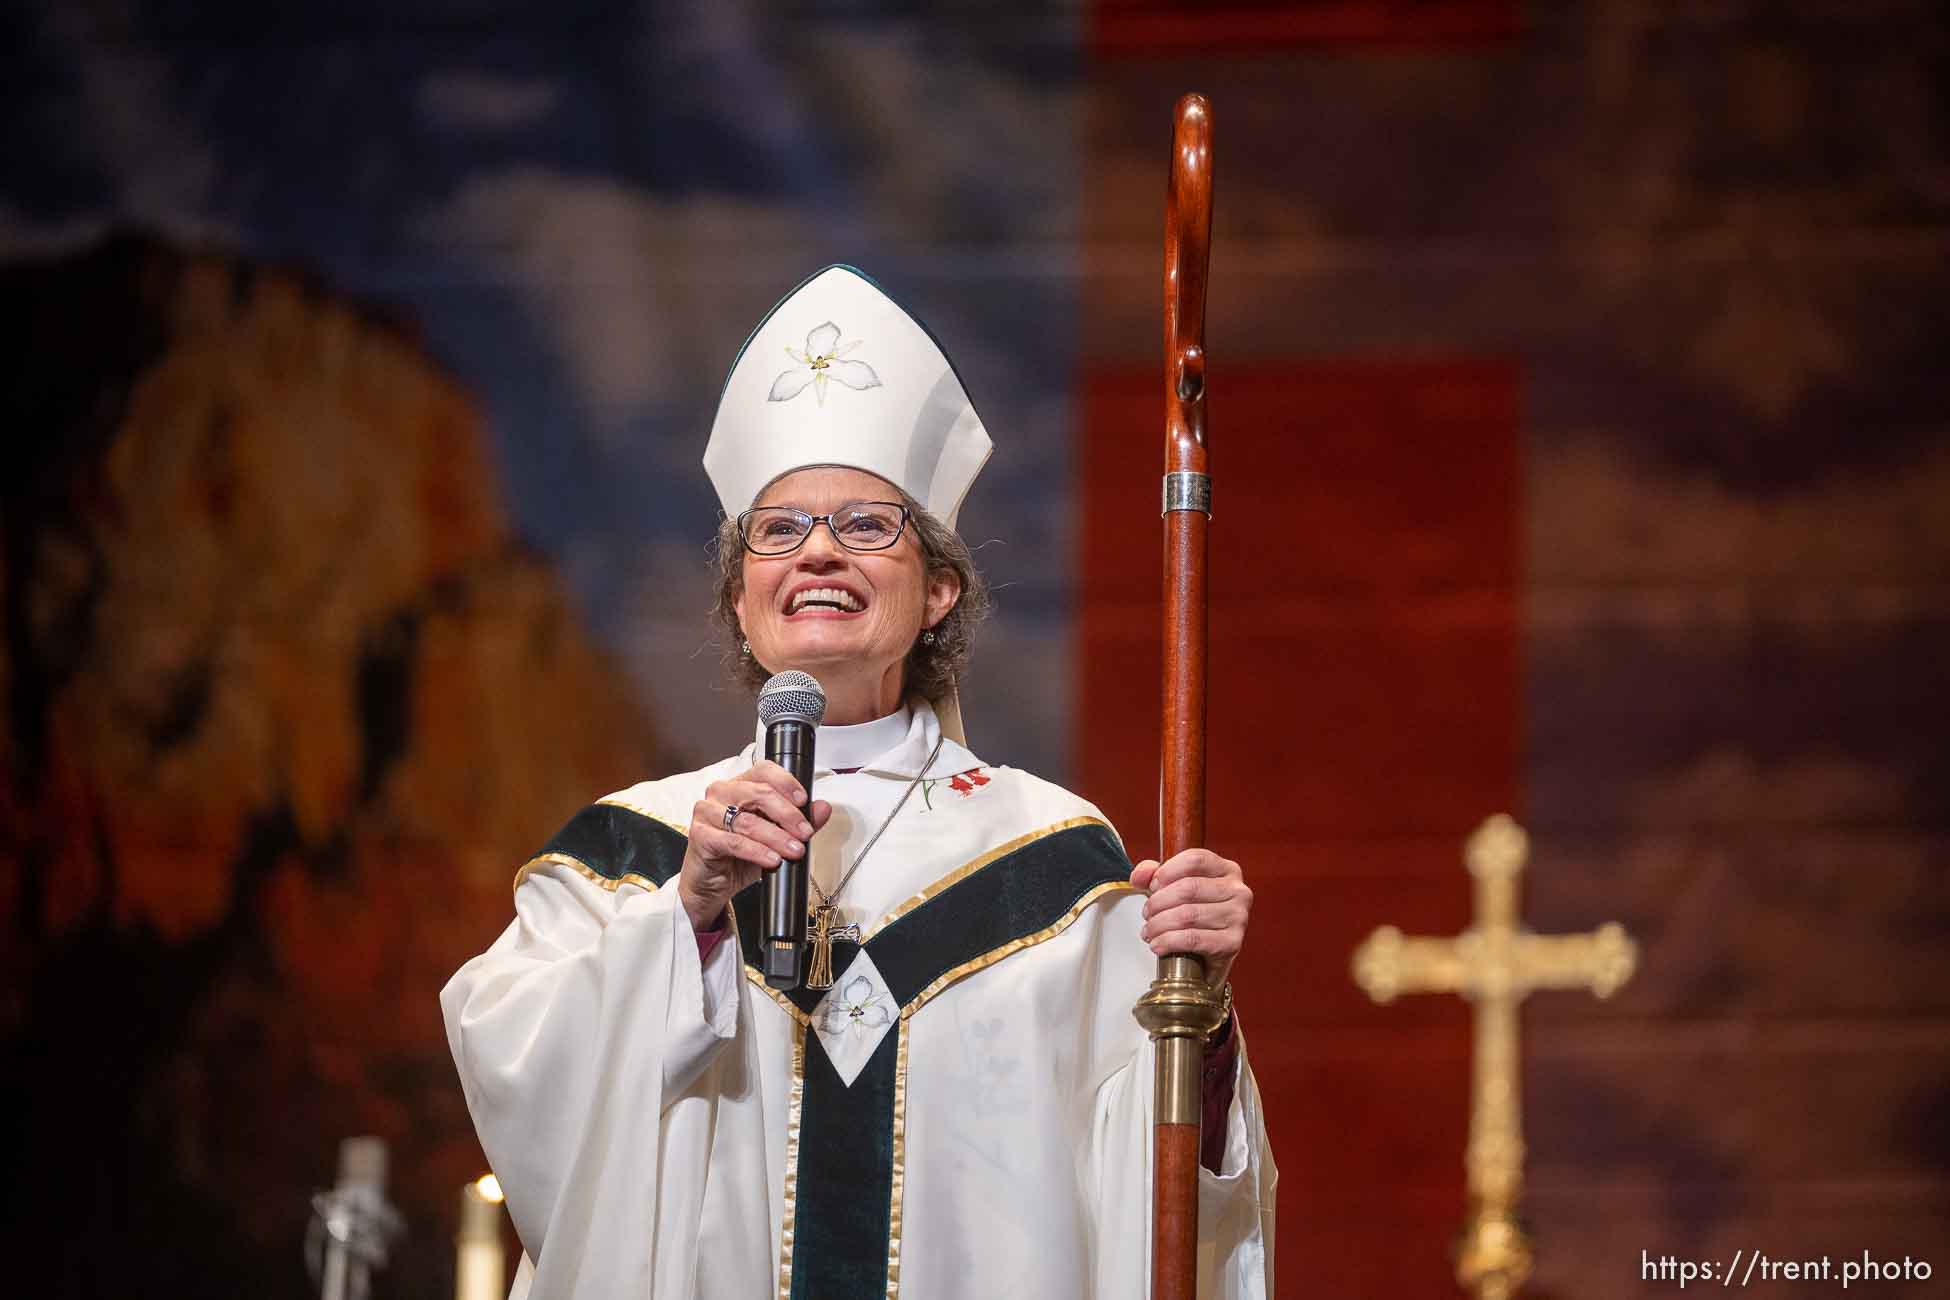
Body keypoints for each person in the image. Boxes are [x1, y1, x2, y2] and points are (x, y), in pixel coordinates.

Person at [441, 266, 1276, 1298]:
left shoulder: (1059, 865)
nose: (819, 553)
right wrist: (688, 920)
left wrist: (1203, 1003)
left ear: (939, 591)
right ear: (742, 602)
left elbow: (1156, 1184)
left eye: (868, 525)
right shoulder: (631, 856)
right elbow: (520, 1076)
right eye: (778, 530)